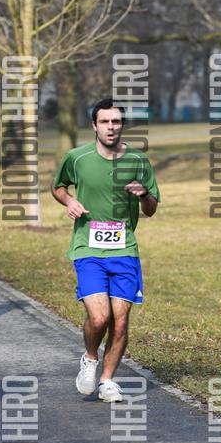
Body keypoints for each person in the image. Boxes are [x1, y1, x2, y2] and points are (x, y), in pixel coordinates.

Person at [51, 97, 160, 402]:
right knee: (99, 318)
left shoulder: (137, 160)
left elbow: (151, 209)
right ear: (94, 125)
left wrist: (144, 194)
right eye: (104, 122)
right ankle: (90, 358)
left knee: (120, 321)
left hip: (124, 249)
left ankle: (107, 380)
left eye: (116, 121)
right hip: (88, 247)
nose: (111, 127)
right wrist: (70, 201)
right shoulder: (77, 158)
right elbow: (58, 186)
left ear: (122, 125)